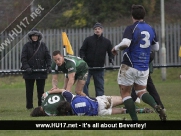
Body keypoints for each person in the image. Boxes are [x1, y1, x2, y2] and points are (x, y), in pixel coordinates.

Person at [111, 5, 166, 121]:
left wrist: (115, 48)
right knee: (141, 91)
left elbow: (125, 43)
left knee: (125, 93)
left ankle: (135, 121)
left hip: (129, 64)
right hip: (144, 66)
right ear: (144, 15)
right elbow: (156, 47)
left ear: (132, 16)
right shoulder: (151, 28)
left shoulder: (131, 28)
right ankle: (156, 106)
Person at [38, 89, 154, 117]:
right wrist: (48, 92)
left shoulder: (71, 114)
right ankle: (133, 99)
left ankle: (138, 110)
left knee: (121, 111)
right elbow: (61, 90)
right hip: (100, 101)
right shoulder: (71, 98)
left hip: (99, 112)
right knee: (120, 99)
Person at [79, 22, 114, 97]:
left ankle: (100, 101)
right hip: (87, 67)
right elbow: (82, 50)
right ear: (93, 30)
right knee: (84, 84)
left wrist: (111, 58)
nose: (97, 30)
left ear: (102, 30)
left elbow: (111, 52)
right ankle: (86, 99)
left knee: (99, 86)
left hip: (99, 68)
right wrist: (83, 57)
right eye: (95, 29)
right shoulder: (88, 40)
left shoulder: (106, 42)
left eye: (99, 29)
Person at [21, 28, 52, 109]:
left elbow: (48, 57)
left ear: (39, 36)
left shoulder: (43, 45)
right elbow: (23, 59)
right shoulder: (26, 46)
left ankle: (41, 106)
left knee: (41, 90)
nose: (34, 37)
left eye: (36, 36)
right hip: (29, 72)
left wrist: (49, 66)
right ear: (30, 37)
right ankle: (29, 106)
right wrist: (27, 67)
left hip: (41, 71)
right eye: (33, 36)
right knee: (29, 91)